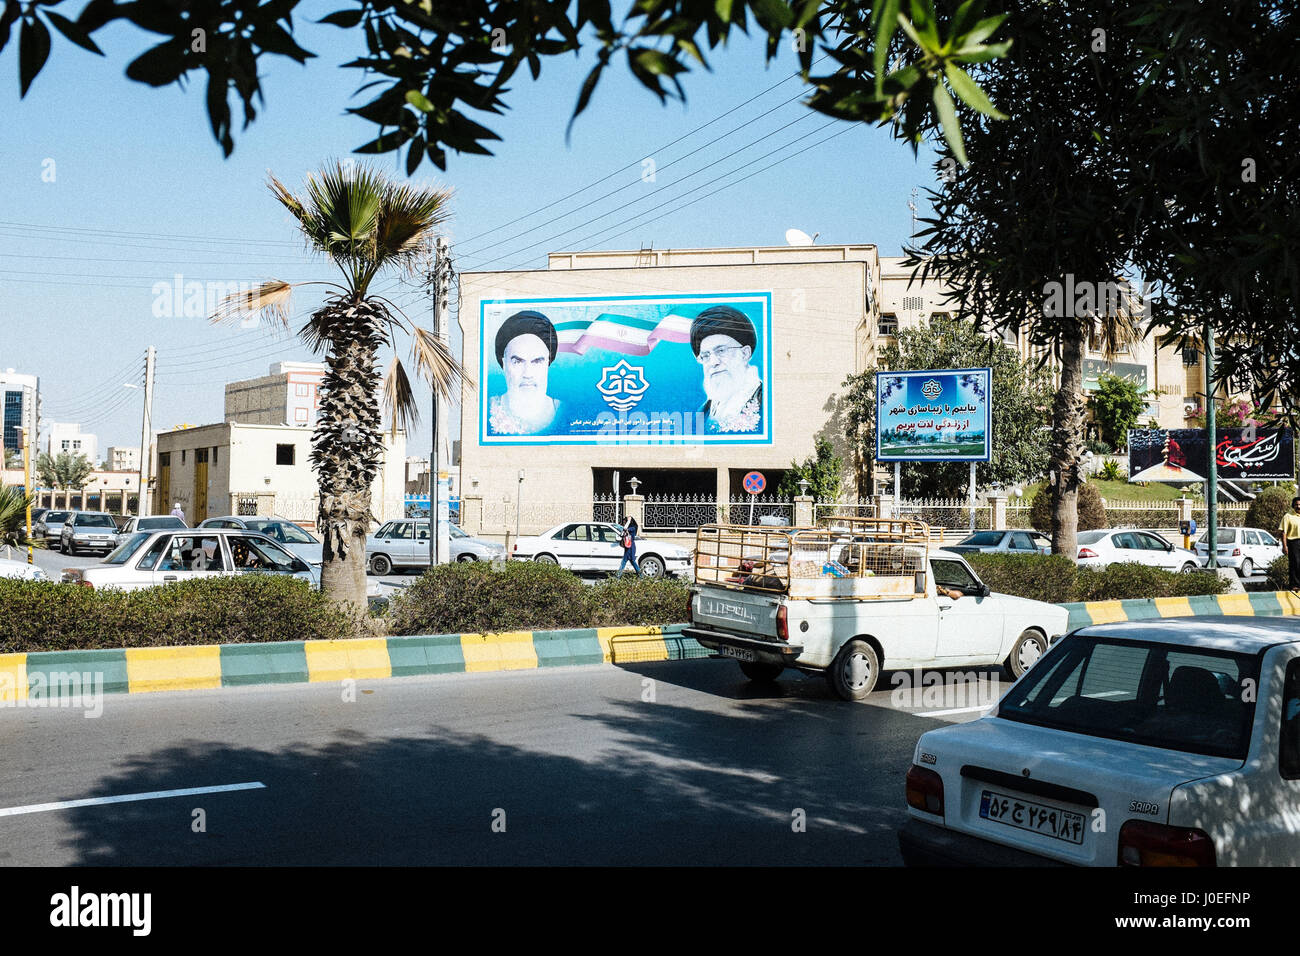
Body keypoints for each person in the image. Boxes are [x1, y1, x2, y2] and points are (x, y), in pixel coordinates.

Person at [689, 305, 763, 433]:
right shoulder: (702, 413)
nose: (713, 362)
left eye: (721, 351)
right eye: (706, 356)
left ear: (745, 353)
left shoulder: (768, 403)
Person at [489, 310, 563, 435]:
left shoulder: (564, 410)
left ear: (548, 363)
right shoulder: (487, 410)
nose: (527, 374)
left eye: (537, 361)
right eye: (517, 362)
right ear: (504, 364)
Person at [1280, 497, 1300, 588]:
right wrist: (1284, 546)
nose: (1298, 506)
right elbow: (1283, 532)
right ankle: (1295, 584)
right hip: (1293, 542)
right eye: (1296, 505)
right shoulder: (1288, 516)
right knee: (1295, 563)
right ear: (1293, 505)